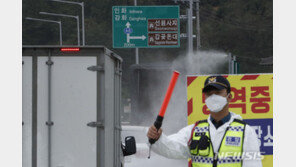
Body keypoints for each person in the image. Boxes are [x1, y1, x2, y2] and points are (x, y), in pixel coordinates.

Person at [147, 75, 262, 167]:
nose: (213, 97)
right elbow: (171, 148)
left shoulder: (245, 132)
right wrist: (157, 139)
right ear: (205, 99)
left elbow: (253, 164)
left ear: (229, 96)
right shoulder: (194, 130)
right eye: (209, 94)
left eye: (218, 93)